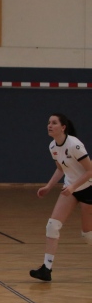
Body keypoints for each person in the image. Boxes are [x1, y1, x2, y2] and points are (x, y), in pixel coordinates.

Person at [29, 113, 92, 282]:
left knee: (88, 235)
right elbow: (60, 168)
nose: (50, 125)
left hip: (88, 188)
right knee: (52, 226)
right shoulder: (53, 146)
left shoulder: (74, 145)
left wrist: (73, 187)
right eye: (49, 122)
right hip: (71, 188)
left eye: (54, 123)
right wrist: (48, 187)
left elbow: (90, 171)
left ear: (63, 127)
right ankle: (46, 269)